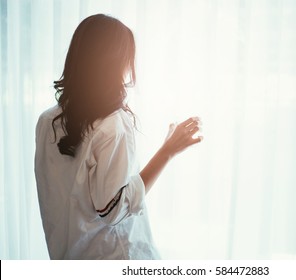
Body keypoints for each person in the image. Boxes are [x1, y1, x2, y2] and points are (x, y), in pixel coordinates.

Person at [34, 14, 202, 260]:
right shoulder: (112, 124)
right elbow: (112, 210)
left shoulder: (47, 121)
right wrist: (167, 152)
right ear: (114, 64)